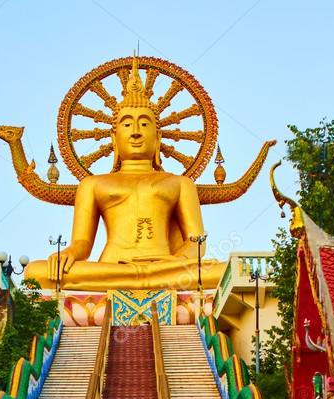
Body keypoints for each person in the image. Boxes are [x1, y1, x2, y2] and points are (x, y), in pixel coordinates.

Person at [22, 56, 225, 291]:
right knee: (35, 272)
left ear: (158, 138)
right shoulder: (92, 184)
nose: (136, 132)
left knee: (223, 270)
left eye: (145, 124)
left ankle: (147, 278)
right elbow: (83, 243)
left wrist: (175, 261)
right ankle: (146, 280)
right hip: (113, 266)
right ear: (114, 138)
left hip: (165, 266)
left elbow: (196, 244)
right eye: (127, 125)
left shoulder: (180, 183)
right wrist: (67, 253)